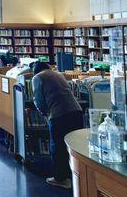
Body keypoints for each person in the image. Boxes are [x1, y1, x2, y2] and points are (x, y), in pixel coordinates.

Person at [32, 62, 83, 190]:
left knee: (58, 147)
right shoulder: (58, 74)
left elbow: (39, 100)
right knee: (75, 145)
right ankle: (78, 175)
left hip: (58, 114)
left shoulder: (37, 77)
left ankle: (61, 179)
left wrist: (44, 113)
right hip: (76, 111)